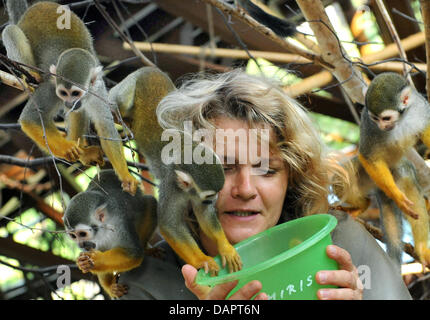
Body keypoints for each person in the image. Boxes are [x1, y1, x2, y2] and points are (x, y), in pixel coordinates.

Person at [118, 69, 411, 300]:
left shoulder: (337, 243)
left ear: (292, 178)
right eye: (223, 168)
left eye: (267, 170)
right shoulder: (147, 283)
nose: (245, 189)